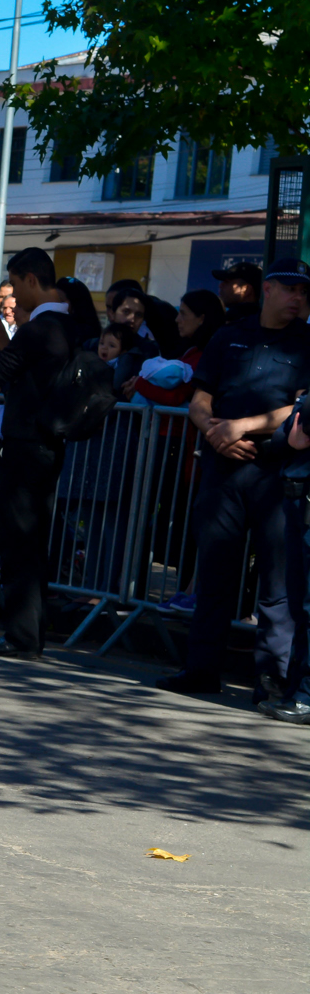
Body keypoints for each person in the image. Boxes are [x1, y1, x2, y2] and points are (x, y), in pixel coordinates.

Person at [156, 259, 310, 703]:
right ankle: (200, 670)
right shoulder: (229, 336)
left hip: (275, 473)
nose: (299, 298)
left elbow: (302, 410)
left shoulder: (308, 344)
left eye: (304, 292)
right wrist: (214, 432)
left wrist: (240, 427)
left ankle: (272, 681)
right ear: (269, 290)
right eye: (291, 290)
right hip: (223, 472)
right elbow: (199, 400)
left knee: (277, 584)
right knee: (214, 575)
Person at [0, 247, 75, 660]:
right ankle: (28, 634)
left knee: (18, 540)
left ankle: (20, 636)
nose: (14, 294)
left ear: (32, 279)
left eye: (15, 284)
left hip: (25, 441)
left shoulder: (40, 328)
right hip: (49, 441)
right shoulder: (69, 323)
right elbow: (22, 365)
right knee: (33, 540)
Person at [214, 260, 262, 324]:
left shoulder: (237, 325)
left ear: (246, 289)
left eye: (227, 281)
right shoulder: (261, 321)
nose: (220, 285)